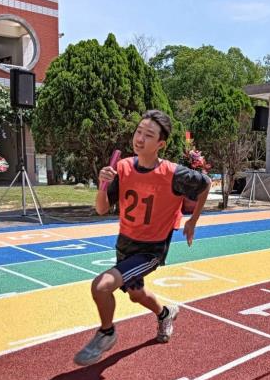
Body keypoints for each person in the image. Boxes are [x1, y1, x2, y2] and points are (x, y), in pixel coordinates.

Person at [74, 110, 211, 366]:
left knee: (101, 286)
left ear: (161, 143)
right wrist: (102, 185)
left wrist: (192, 221)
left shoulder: (174, 173)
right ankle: (166, 313)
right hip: (125, 243)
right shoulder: (123, 167)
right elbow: (102, 209)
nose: (140, 138)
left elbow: (205, 184)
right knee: (136, 294)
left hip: (151, 249)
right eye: (138, 131)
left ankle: (106, 333)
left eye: (149, 135)